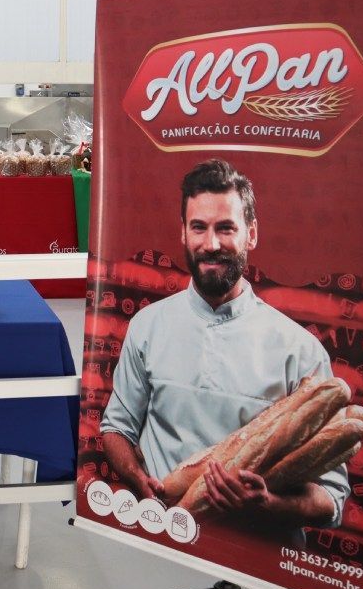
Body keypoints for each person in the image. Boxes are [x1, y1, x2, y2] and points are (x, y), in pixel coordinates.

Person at [100, 159, 347, 537]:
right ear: (183, 233)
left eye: (226, 228)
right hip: (164, 534)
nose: (211, 244)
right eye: (199, 228)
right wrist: (138, 479)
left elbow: (332, 498)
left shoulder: (301, 352)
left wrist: (269, 504)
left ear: (251, 234)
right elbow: (117, 428)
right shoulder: (147, 326)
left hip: (258, 551)